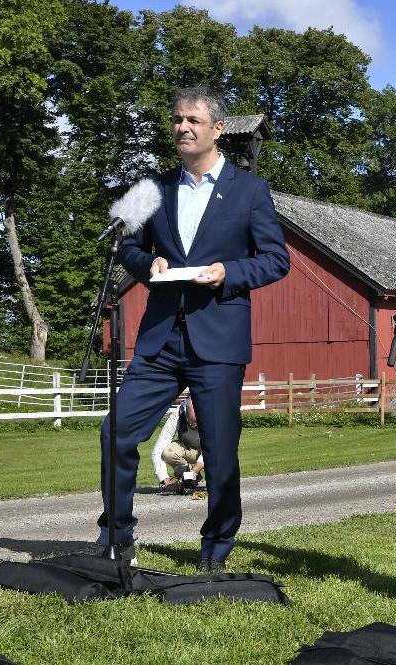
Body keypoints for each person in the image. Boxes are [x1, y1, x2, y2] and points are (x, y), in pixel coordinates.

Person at [93, 86, 289, 572]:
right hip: (161, 337)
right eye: (177, 119)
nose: (182, 127)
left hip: (218, 338)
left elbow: (276, 260)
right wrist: (147, 263)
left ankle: (216, 547)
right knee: (115, 433)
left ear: (218, 129)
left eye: (193, 121)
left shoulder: (249, 191)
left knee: (220, 453)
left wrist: (229, 272)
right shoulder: (153, 191)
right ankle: (117, 538)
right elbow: (126, 248)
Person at [151, 397, 204, 494]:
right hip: (189, 449)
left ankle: (195, 476)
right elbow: (158, 451)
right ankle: (186, 480)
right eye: (192, 424)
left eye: (198, 424)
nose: (195, 428)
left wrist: (195, 470)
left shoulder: (213, 414)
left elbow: (212, 449)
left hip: (211, 451)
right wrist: (165, 481)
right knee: (168, 452)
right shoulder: (178, 414)